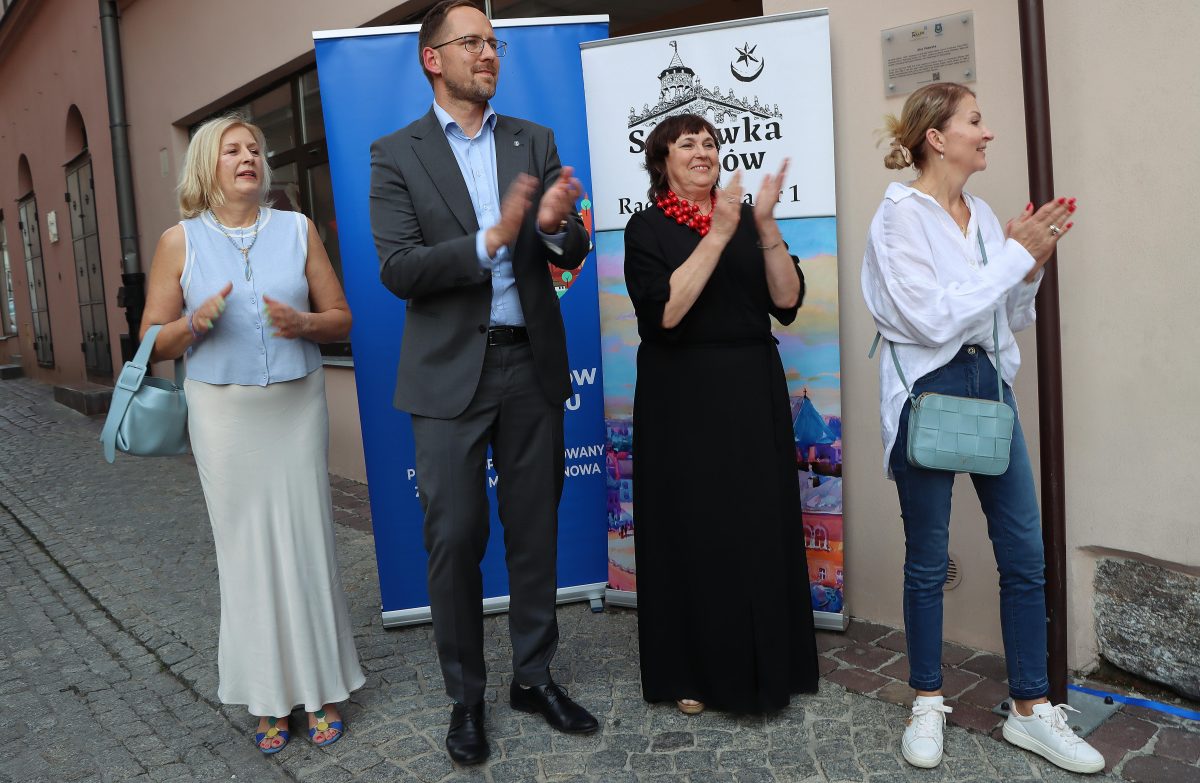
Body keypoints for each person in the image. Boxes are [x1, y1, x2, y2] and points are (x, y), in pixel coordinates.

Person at [368, 0, 597, 766]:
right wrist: (487, 240)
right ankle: (466, 696)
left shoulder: (534, 139)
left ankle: (533, 677)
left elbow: (571, 247)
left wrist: (556, 225)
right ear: (433, 58)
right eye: (472, 42)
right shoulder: (394, 153)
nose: (489, 53)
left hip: (530, 364)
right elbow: (399, 268)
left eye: (493, 43)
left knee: (534, 530)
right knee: (455, 536)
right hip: (446, 377)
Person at [862, 82, 1103, 774]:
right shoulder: (898, 218)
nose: (987, 131)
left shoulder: (984, 213)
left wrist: (1030, 268)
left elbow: (1006, 315)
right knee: (927, 558)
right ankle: (926, 699)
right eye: (975, 120)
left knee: (1024, 552)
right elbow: (930, 318)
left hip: (988, 384)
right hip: (929, 389)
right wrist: (1011, 260)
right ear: (937, 137)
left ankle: (1030, 709)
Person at [139, 115, 363, 753]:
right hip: (223, 413)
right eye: (232, 150)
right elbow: (151, 339)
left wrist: (305, 324)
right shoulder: (178, 241)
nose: (248, 157)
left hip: (296, 405)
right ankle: (267, 697)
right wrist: (193, 325)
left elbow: (340, 316)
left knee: (307, 541)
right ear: (206, 165)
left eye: (255, 150)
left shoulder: (297, 229)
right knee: (245, 552)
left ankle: (321, 688)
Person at [623, 113, 820, 716]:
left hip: (751, 388)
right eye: (687, 144)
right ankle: (693, 671)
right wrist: (718, 232)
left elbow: (786, 299)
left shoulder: (746, 220)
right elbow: (665, 313)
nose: (703, 151)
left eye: (710, 142)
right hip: (681, 395)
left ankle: (770, 666)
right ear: (663, 162)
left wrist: (765, 225)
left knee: (757, 523)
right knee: (694, 529)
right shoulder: (646, 228)